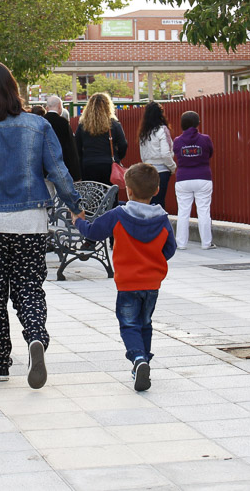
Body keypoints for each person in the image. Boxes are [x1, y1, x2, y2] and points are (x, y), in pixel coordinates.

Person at [0, 60, 83, 389]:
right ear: (14, 88)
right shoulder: (38, 126)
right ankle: (36, 336)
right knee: (28, 285)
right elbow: (58, 171)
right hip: (30, 222)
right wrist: (75, 206)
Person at [75, 163, 176, 391]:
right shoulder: (162, 219)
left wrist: (78, 221)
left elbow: (93, 232)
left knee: (129, 325)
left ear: (128, 190)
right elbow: (170, 249)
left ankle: (138, 359)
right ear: (157, 190)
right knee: (145, 323)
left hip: (128, 283)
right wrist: (153, 261)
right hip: (152, 284)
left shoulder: (118, 215)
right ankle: (144, 362)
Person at [173, 111, 215, 250]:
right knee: (203, 211)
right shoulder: (205, 139)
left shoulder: (177, 141)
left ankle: (181, 244)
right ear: (198, 124)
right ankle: (206, 243)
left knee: (183, 212)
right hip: (203, 178)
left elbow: (176, 154)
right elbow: (210, 153)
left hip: (183, 179)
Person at [75, 92, 128, 187]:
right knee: (110, 196)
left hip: (88, 165)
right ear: (108, 106)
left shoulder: (83, 126)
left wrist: (83, 159)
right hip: (108, 165)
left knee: (92, 197)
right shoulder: (114, 125)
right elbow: (123, 144)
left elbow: (77, 147)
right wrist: (117, 157)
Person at [138, 101, 176, 210]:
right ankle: (158, 226)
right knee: (159, 204)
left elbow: (143, 155)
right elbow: (165, 153)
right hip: (161, 171)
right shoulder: (163, 130)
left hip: (147, 171)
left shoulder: (143, 132)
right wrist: (172, 167)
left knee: (148, 203)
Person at [45, 95, 81, 181]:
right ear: (60, 107)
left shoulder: (41, 122)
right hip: (61, 167)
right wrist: (76, 174)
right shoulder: (63, 123)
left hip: (44, 168)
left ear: (47, 108)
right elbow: (70, 148)